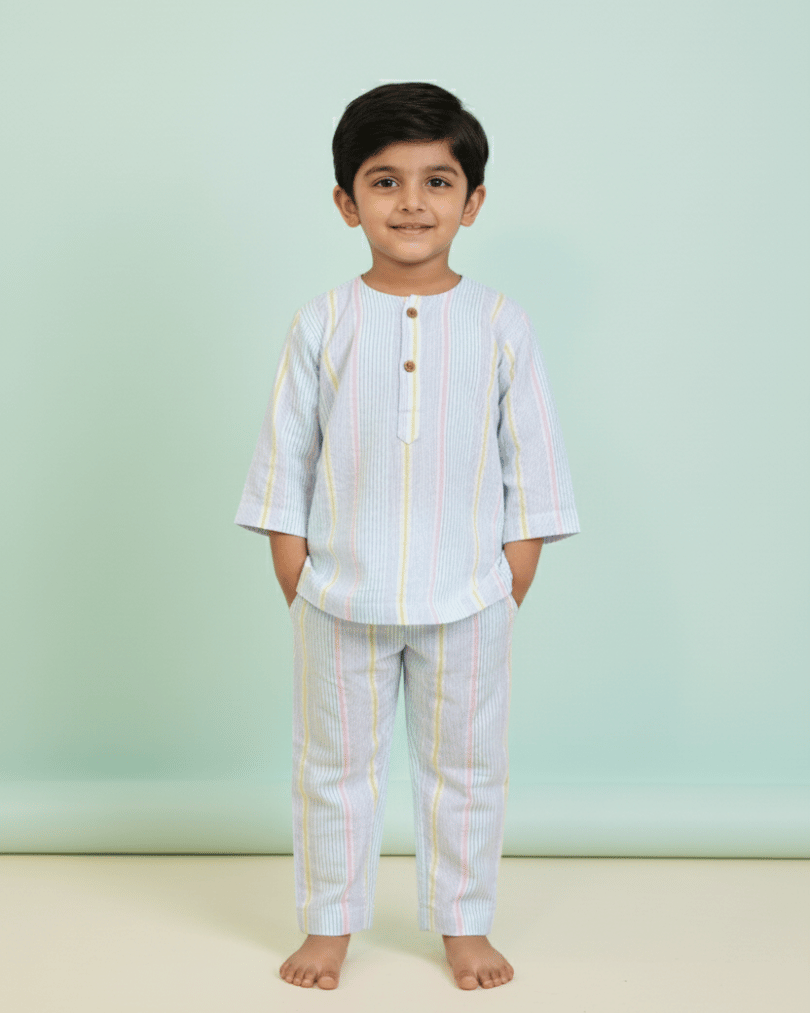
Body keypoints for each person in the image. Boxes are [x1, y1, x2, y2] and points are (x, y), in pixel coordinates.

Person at [235, 81, 580, 990]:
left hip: (469, 597)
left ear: (473, 200)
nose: (413, 202)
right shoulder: (323, 321)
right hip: (336, 597)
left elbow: (533, 462)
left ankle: (464, 925)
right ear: (347, 202)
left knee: (467, 770)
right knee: (331, 770)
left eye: (438, 181)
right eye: (385, 181)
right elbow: (285, 457)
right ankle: (329, 925)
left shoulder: (501, 323)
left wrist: (509, 578)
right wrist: (297, 575)